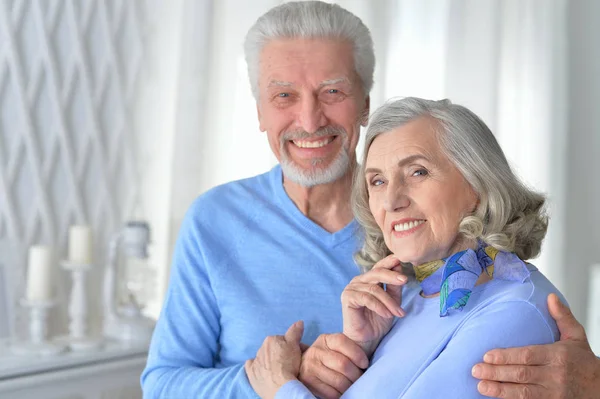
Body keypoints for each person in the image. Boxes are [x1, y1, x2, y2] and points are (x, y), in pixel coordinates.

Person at [141, 2, 600, 398]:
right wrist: (262, 381)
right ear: (260, 111)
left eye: (332, 92)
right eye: (284, 96)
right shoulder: (215, 220)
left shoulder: (423, 240)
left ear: (364, 104)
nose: (309, 119)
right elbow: (160, 385)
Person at [244, 96, 567, 398]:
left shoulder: (513, 312)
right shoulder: (410, 298)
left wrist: (280, 388)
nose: (391, 200)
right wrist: (362, 348)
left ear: (477, 185)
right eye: (377, 181)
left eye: (418, 172)